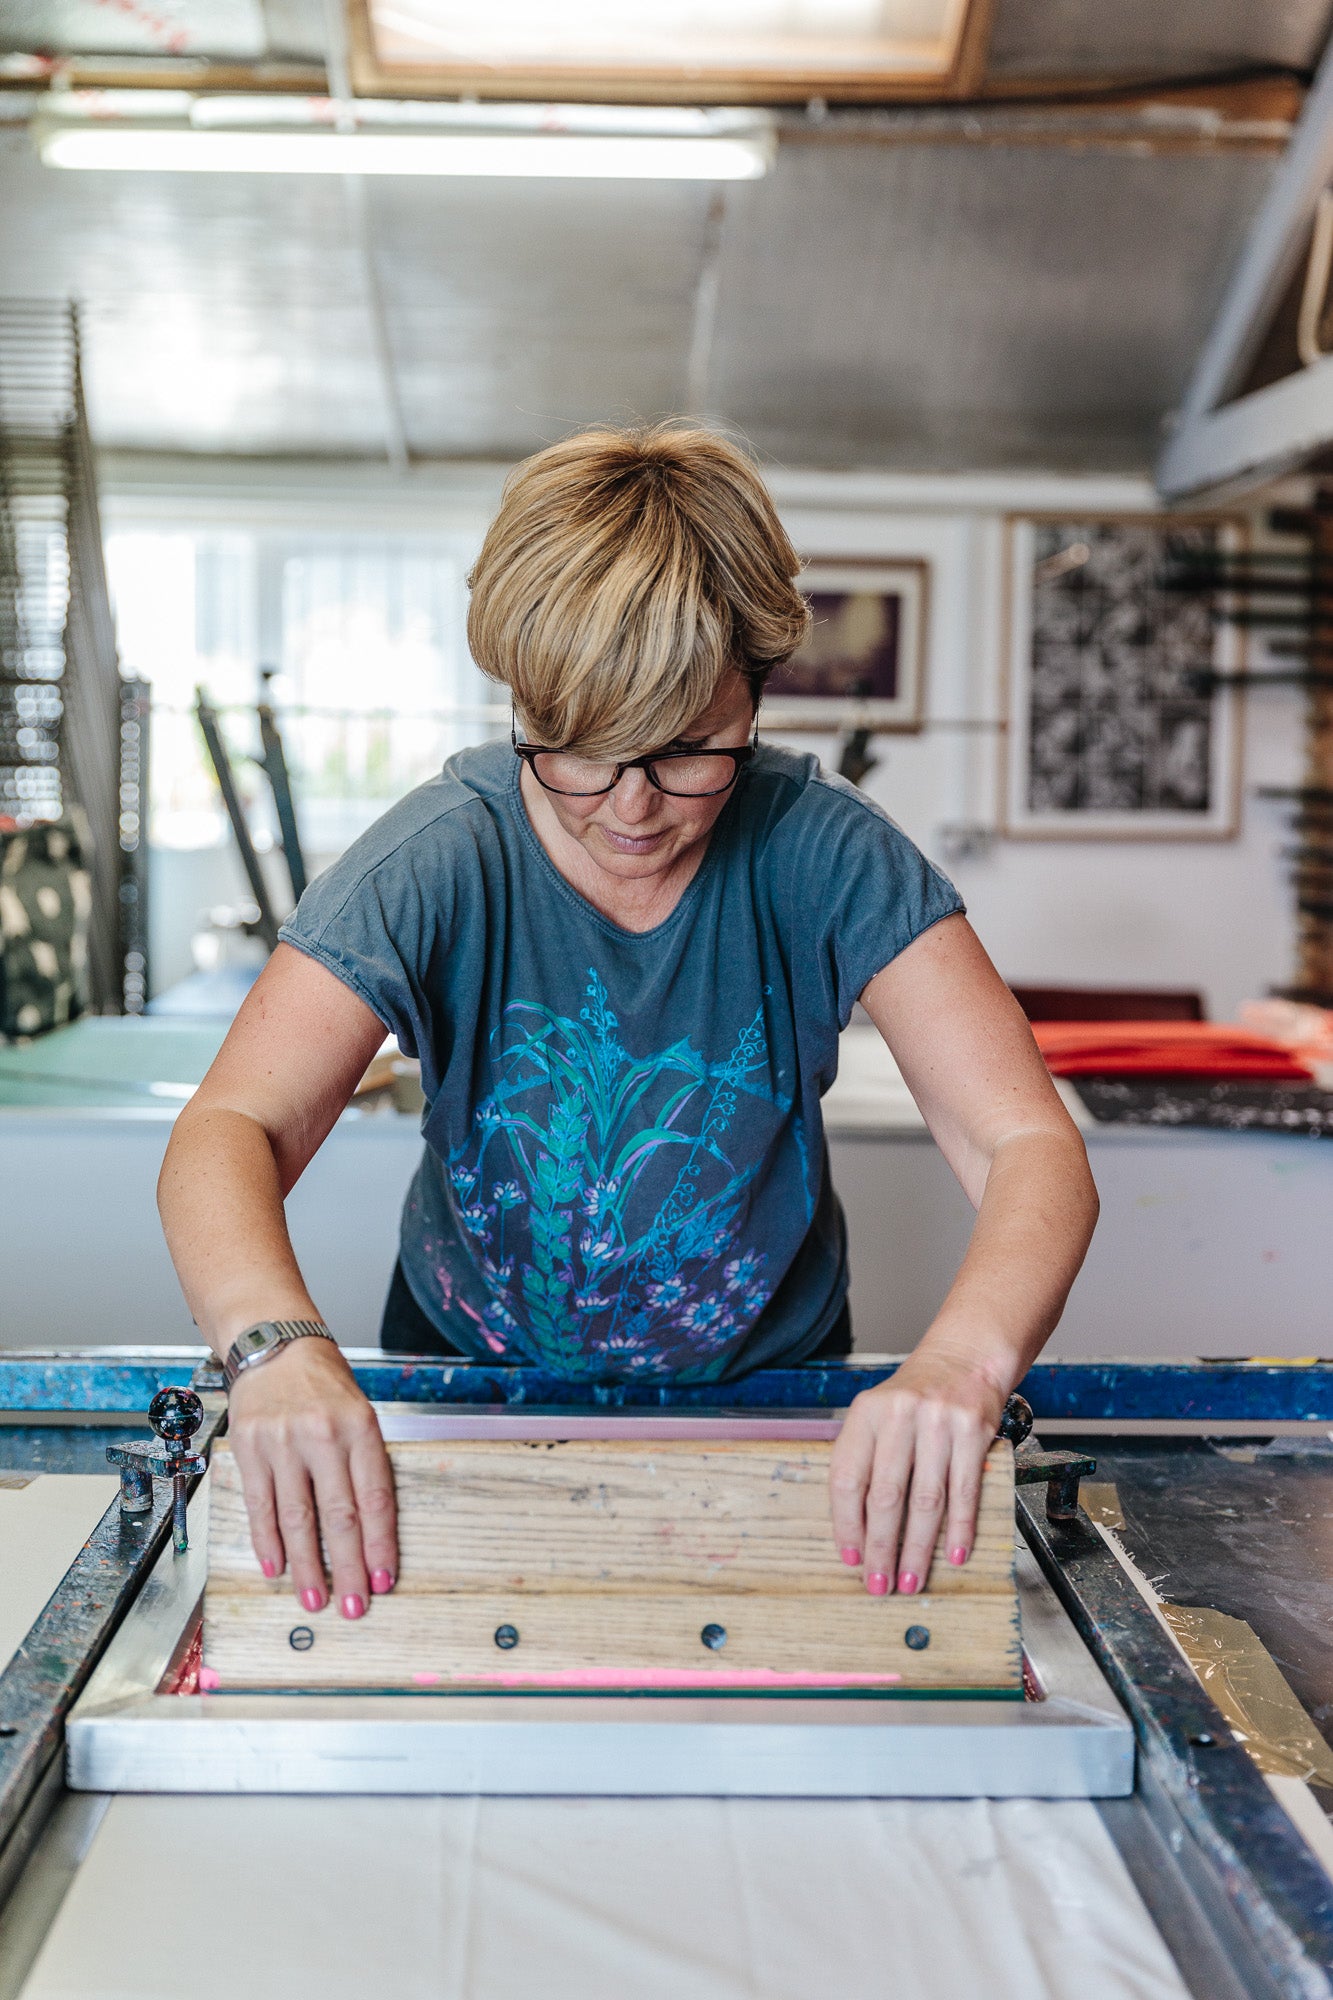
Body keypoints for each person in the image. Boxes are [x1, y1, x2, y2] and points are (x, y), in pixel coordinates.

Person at [158, 423, 1097, 1625]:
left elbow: (1028, 1144)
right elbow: (230, 1125)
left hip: (773, 1388)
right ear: (519, 703)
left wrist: (962, 1364)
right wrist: (271, 1348)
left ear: (756, 696)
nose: (634, 806)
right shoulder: (443, 854)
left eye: (688, 751)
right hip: (465, 1382)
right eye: (582, 754)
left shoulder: (825, 853)